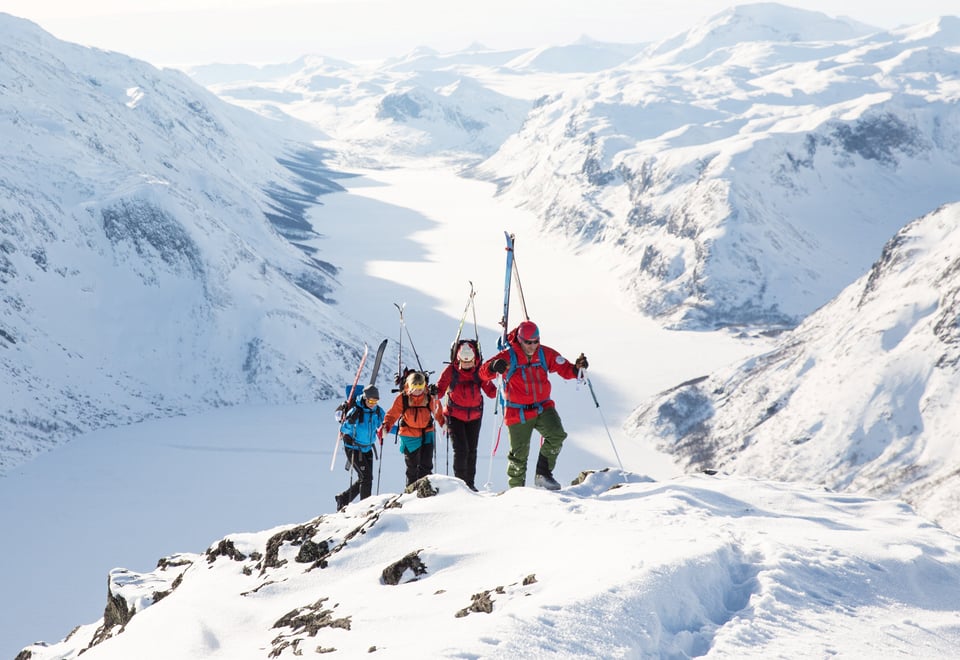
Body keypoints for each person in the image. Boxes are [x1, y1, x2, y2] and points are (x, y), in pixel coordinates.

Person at [479, 320, 588, 490]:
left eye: (536, 341)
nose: (532, 346)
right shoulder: (509, 356)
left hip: (543, 407)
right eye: (528, 342)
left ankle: (543, 475)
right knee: (518, 456)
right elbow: (483, 373)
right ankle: (516, 491)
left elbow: (564, 368)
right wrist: (493, 366)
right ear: (520, 340)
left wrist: (577, 369)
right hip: (517, 411)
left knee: (557, 435)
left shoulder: (544, 354)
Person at [436, 340, 497, 491]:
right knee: (461, 450)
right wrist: (433, 391)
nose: (467, 365)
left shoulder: (479, 371)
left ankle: (469, 484)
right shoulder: (451, 371)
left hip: (475, 416)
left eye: (470, 362)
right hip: (454, 416)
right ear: (458, 359)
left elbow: (491, 392)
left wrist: (500, 380)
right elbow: (440, 390)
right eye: (464, 361)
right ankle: (460, 485)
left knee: (471, 450)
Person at [379, 371, 445, 487]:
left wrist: (443, 422)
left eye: (421, 388)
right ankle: (411, 493)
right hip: (409, 436)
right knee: (412, 468)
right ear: (409, 386)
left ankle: (425, 491)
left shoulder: (429, 397)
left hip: (427, 434)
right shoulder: (403, 398)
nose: (418, 391)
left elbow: (437, 411)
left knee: (426, 465)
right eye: (415, 388)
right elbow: (392, 414)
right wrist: (386, 426)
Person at [335, 384, 385, 511]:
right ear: (365, 398)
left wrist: (401, 430)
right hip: (353, 448)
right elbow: (343, 428)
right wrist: (350, 421)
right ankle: (365, 507)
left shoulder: (378, 411)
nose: (373, 403)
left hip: (367, 448)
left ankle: (344, 499)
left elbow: (386, 424)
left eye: (376, 401)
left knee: (366, 477)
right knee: (366, 477)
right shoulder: (356, 410)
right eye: (371, 400)